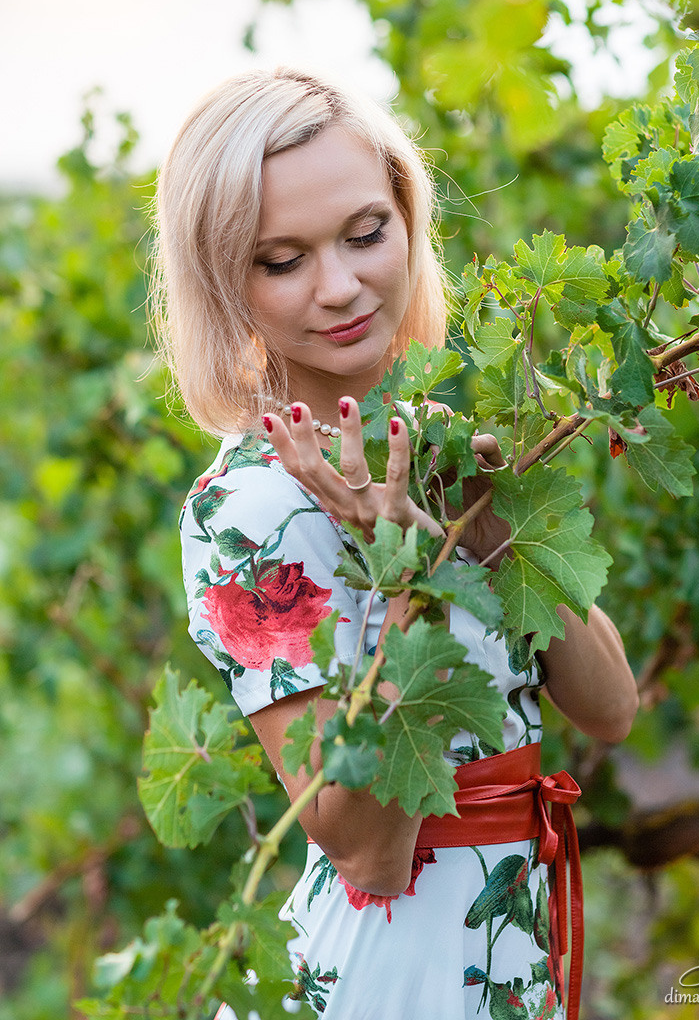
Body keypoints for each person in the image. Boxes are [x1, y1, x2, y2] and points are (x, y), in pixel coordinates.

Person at [153, 66, 639, 1020]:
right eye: (281, 260)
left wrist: (486, 519)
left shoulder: (442, 446)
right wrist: (407, 578)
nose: (341, 287)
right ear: (223, 281)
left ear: (409, 220)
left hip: (501, 958)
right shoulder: (249, 508)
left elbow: (611, 708)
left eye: (367, 233)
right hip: (383, 983)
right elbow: (368, 849)